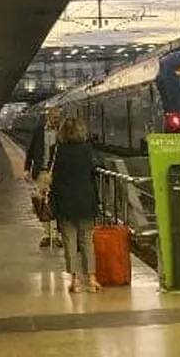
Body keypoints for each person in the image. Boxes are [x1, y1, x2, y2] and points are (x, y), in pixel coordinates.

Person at [50, 117, 101, 294]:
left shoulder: (57, 151)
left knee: (69, 241)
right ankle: (92, 279)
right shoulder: (88, 150)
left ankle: (75, 280)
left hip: (65, 203)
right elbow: (95, 169)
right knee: (87, 241)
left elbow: (54, 179)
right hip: (86, 201)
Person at [25, 108, 63, 248]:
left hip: (57, 173)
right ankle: (46, 234)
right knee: (41, 204)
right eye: (54, 117)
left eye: (58, 117)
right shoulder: (38, 131)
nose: (56, 120)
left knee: (57, 203)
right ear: (48, 117)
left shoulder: (62, 132)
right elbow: (30, 151)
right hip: (41, 172)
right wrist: (26, 169)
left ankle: (57, 234)